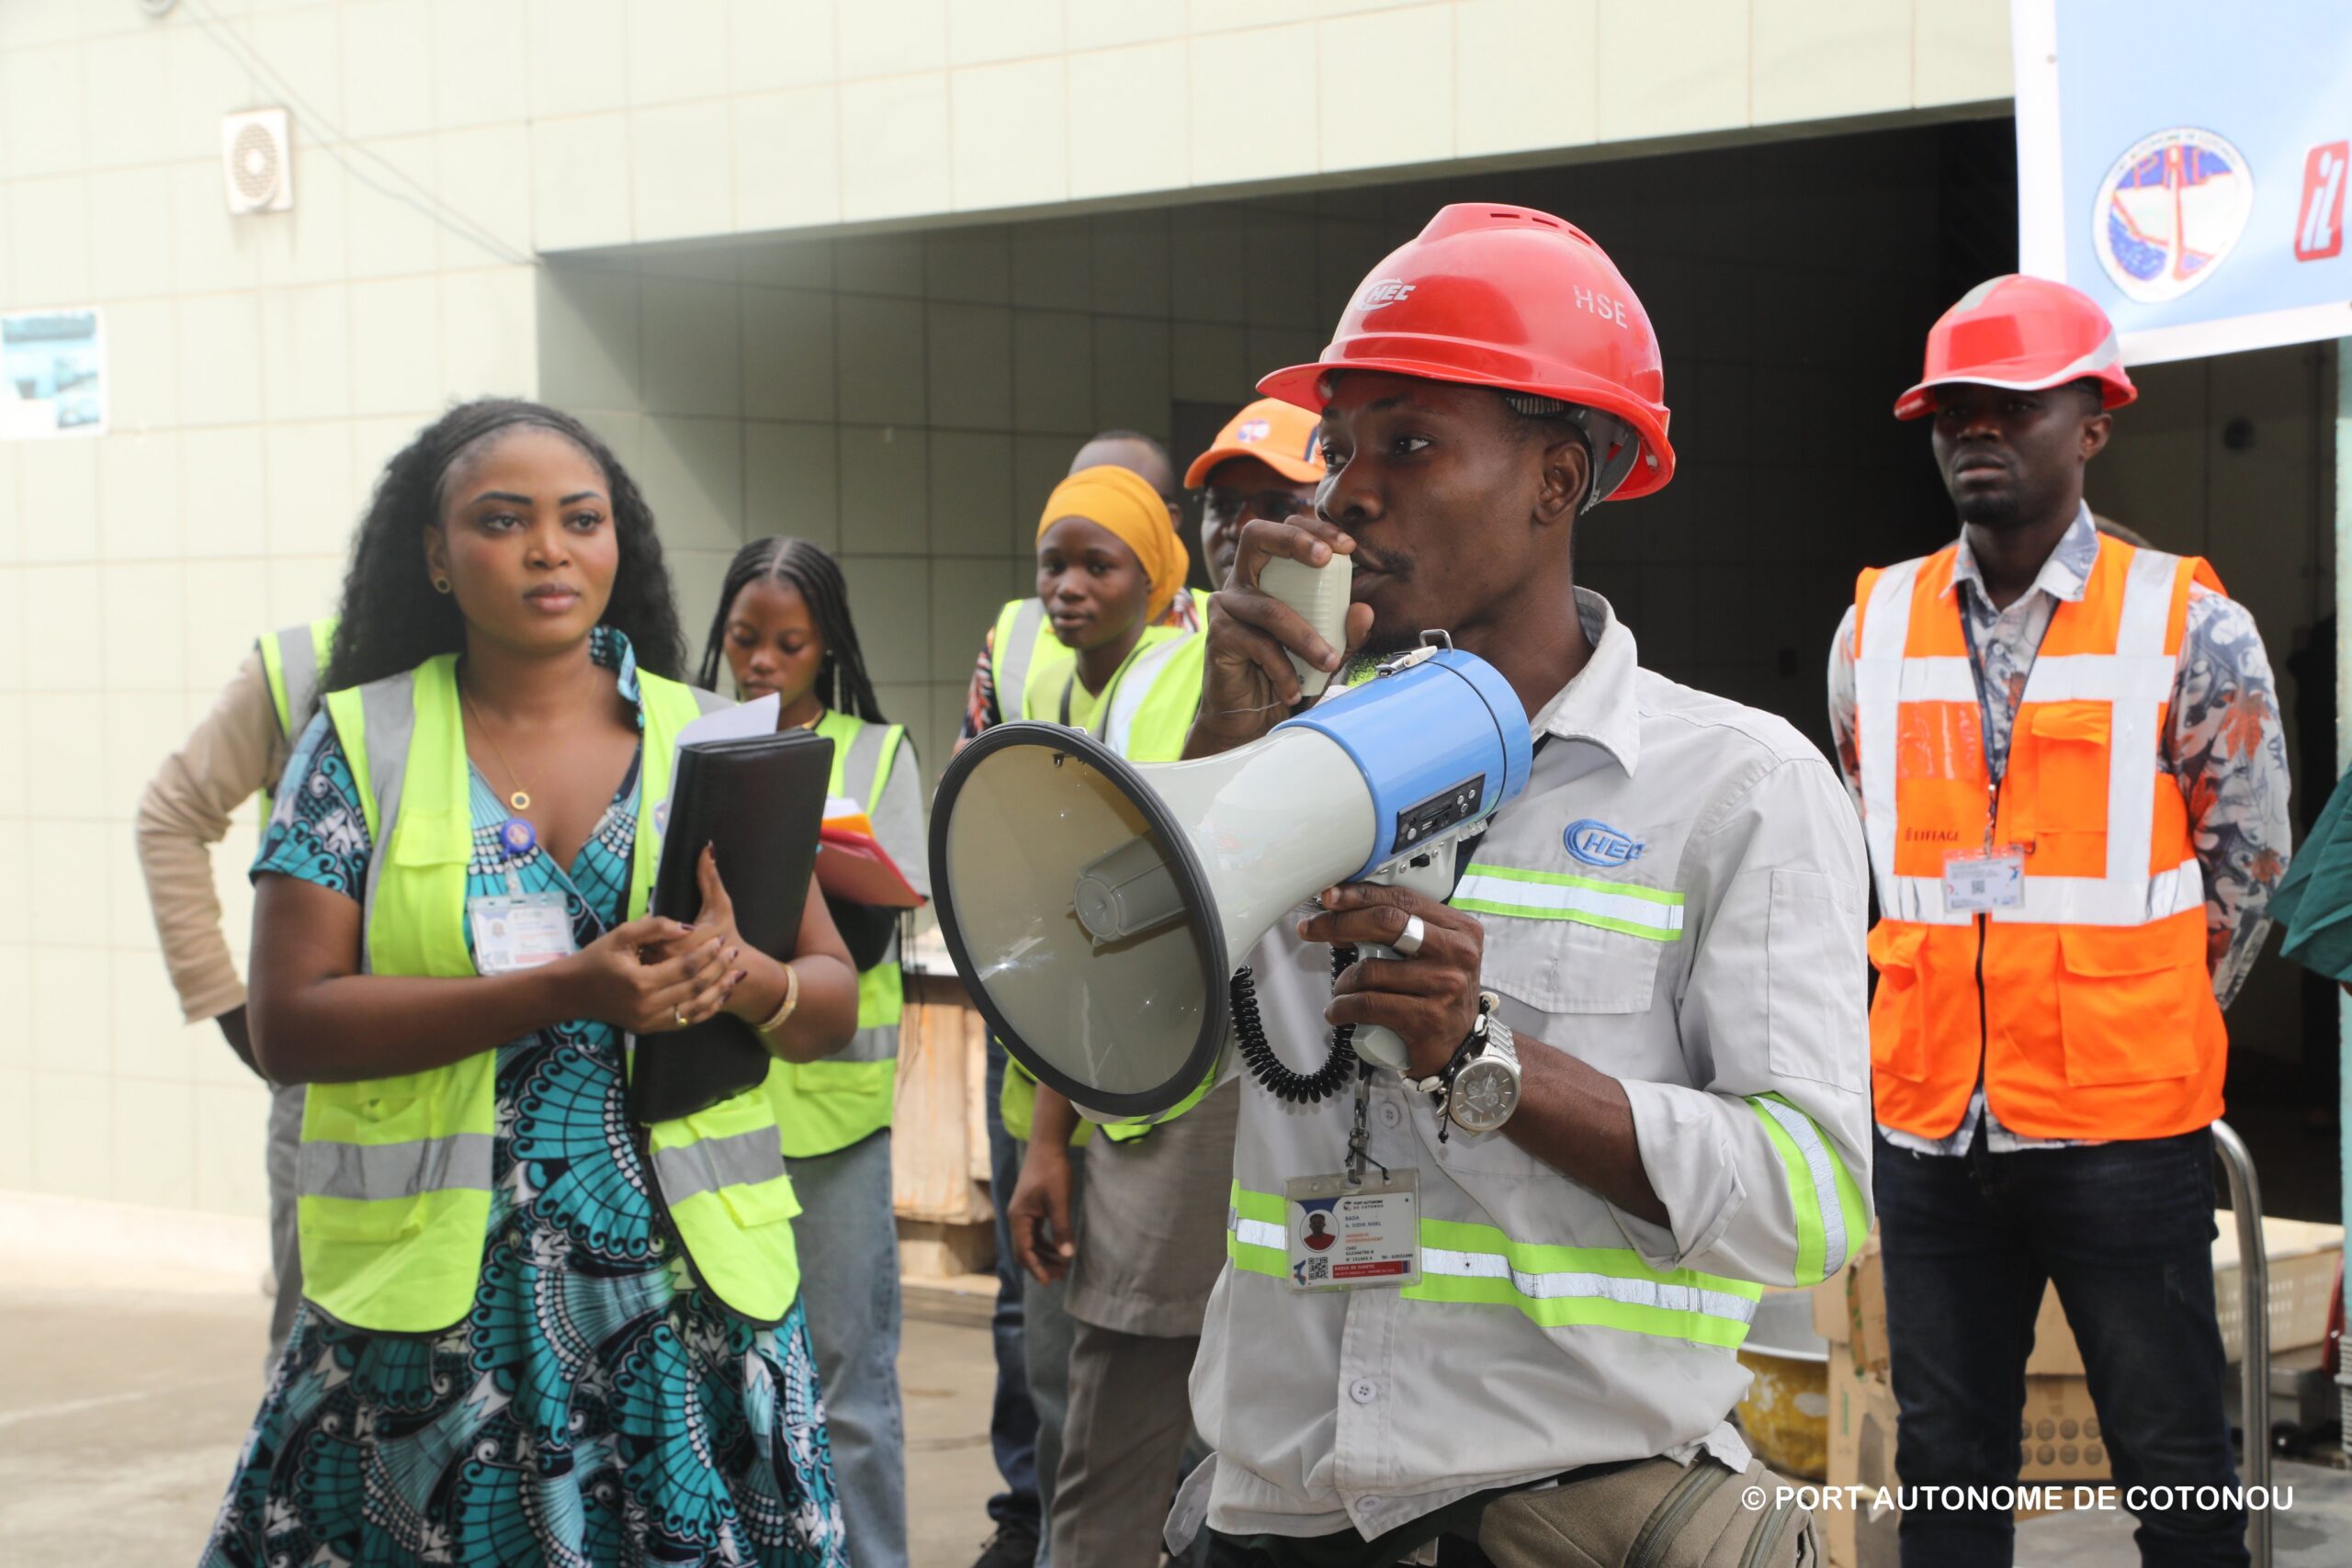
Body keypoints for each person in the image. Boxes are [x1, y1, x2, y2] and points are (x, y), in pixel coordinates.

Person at [1175, 205, 1863, 1564]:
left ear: (1558, 479)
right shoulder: (1278, 758)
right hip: (1271, 1507)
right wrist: (1216, 785)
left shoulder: (1736, 786)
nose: (1347, 492)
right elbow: (1113, 1059)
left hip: (1558, 1508)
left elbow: (1814, 1199)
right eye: (1342, 445)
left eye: (1411, 442)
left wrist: (1488, 1058)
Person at [201, 400, 859, 1568]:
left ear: (618, 544)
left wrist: (741, 974)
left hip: (682, 1304)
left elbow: (827, 1000)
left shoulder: (712, 736)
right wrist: (562, 991)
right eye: (502, 523)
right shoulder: (359, 743)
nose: (548, 549)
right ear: (437, 557)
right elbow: (291, 1020)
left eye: (580, 519)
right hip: (437, 1318)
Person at [1825, 275, 2291, 1568]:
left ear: (2091, 421)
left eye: (2010, 406)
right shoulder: (1874, 627)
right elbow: (1882, 838)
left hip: (2121, 1131)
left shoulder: (2191, 623)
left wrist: (2127, 1002)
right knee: (1949, 1463)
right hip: (1931, 1124)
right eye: (1951, 410)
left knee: (2176, 1460)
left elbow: (2248, 864)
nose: (1975, 429)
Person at [958, 429, 1199, 1568]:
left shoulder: (1193, 684)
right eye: (1054, 562)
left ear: (1157, 576)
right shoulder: (1028, 663)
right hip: (1045, 1076)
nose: (1065, 588)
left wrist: (1057, 1129)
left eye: (1098, 566)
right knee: (1049, 1355)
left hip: (1136, 1099)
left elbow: (1116, 926)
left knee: (1130, 1386)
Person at [700, 536, 929, 1568]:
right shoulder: (693, 742)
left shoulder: (877, 755)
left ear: (824, 645)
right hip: (716, 1117)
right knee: (715, 1382)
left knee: (848, 1385)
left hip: (834, 1125)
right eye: (744, 640)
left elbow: (875, 933)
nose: (760, 664)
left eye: (786, 644)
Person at [137, 615, 335, 1363]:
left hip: (496, 1057)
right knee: (312, 1351)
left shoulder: (530, 656)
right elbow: (171, 813)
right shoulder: (297, 669)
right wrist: (221, 998)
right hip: (328, 1067)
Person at [1183, 397, 1326, 589]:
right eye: (1222, 506)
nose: (1240, 528)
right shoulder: (1186, 618)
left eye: (1277, 507)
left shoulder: (1369, 617)